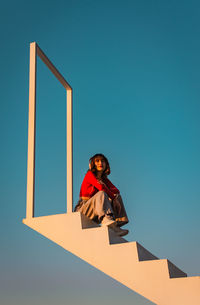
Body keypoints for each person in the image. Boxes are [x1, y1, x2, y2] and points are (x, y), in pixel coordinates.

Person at [74, 153, 129, 237]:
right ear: (93, 164)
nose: (100, 163)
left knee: (117, 196)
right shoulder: (89, 175)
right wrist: (113, 198)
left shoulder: (104, 179)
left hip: (97, 209)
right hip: (84, 208)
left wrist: (114, 198)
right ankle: (106, 219)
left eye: (103, 161)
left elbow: (116, 191)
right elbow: (101, 188)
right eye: (97, 161)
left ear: (106, 164)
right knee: (102, 193)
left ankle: (116, 225)